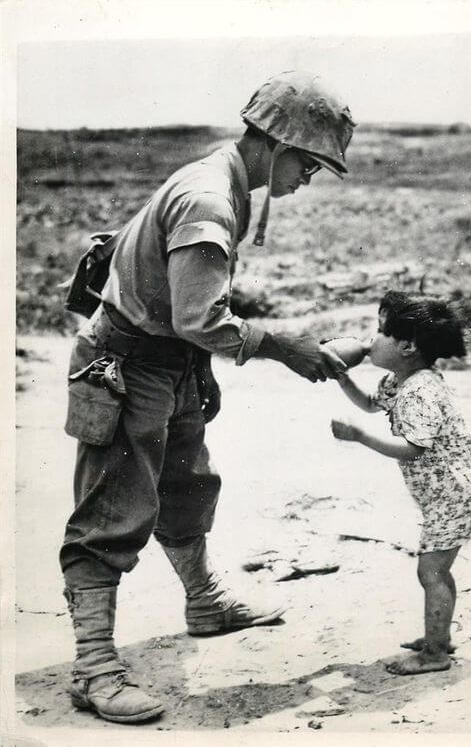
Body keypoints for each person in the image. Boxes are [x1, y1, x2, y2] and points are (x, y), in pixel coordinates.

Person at [60, 70, 356, 723]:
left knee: (188, 483)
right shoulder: (209, 200)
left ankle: (204, 601)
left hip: (168, 361)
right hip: (126, 365)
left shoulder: (224, 183)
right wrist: (281, 342)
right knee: (111, 513)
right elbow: (200, 316)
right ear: (277, 147)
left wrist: (202, 366)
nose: (307, 181)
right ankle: (93, 668)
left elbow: (188, 311)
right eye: (309, 166)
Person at [331, 290, 471, 676]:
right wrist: (341, 376)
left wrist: (360, 437)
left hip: (458, 493)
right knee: (437, 571)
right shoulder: (400, 380)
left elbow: (413, 449)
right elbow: (368, 403)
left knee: (431, 572)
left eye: (380, 332)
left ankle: (435, 654)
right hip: (453, 491)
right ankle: (438, 637)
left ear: (408, 346)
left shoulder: (421, 391)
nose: (370, 340)